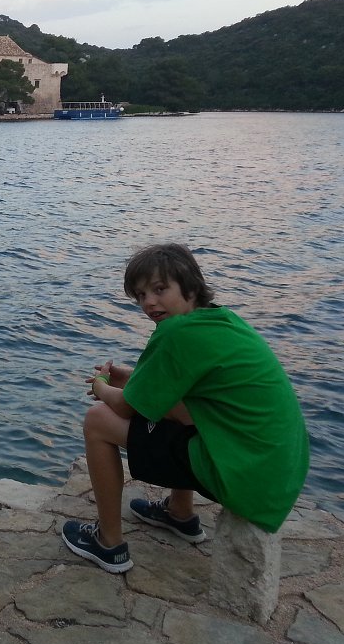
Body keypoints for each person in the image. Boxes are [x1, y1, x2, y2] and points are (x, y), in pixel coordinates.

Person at [61, 243, 310, 573]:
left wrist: (101, 387)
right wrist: (131, 379)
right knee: (179, 405)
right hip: (273, 471)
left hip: (245, 479)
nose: (149, 302)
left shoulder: (177, 332)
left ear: (190, 287)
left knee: (97, 421)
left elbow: (123, 407)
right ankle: (179, 514)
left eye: (159, 289)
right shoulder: (220, 320)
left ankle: (108, 544)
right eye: (141, 295)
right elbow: (173, 386)